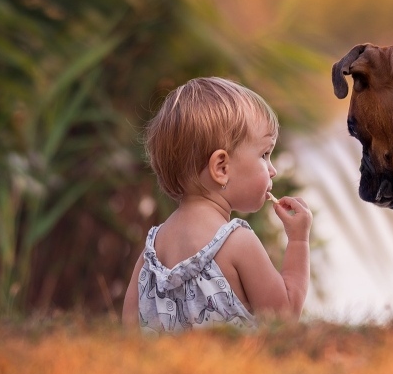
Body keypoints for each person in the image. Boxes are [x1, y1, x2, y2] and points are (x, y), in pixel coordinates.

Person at [122, 77, 312, 333]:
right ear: (221, 168)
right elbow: (284, 320)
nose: (273, 170)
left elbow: (129, 333)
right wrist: (299, 241)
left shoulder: (150, 254)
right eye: (264, 155)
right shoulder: (237, 242)